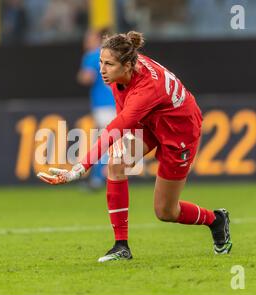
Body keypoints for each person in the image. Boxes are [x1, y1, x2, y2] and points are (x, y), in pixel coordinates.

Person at [38, 31, 232, 262]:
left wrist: (80, 167)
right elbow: (122, 117)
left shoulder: (146, 88)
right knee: (116, 163)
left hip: (179, 131)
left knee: (166, 212)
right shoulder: (121, 72)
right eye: (101, 62)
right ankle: (121, 246)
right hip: (150, 123)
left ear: (128, 65)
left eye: (109, 64)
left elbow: (114, 128)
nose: (102, 69)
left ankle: (215, 220)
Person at [77, 28, 116, 190]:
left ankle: (98, 179)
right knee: (112, 143)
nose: (86, 41)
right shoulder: (112, 55)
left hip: (103, 106)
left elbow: (87, 77)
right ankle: (110, 176)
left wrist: (80, 76)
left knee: (103, 144)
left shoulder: (92, 56)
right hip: (116, 105)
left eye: (89, 38)